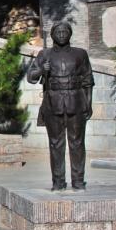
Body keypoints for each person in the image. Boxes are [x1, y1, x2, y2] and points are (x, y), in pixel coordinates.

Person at [27, 22, 93, 191]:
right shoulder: (44, 54)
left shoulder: (80, 54)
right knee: (56, 144)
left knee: (77, 143)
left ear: (70, 34)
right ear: (52, 35)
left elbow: (88, 80)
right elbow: (31, 77)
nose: (62, 34)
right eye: (58, 32)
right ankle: (58, 181)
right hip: (53, 102)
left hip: (76, 101)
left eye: (65, 32)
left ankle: (78, 181)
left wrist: (88, 103)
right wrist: (42, 70)